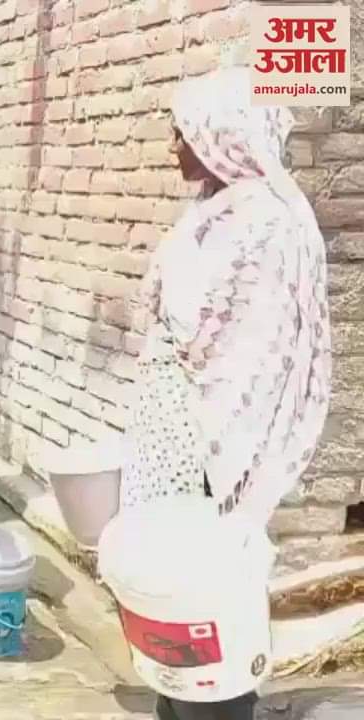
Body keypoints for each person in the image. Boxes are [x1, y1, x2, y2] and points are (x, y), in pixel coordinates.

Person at [121, 66, 331, 720]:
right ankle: (175, 702)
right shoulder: (213, 211)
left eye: (182, 132)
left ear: (224, 132)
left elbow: (256, 355)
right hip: (171, 438)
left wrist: (212, 454)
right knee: (168, 598)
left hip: (215, 446)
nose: (173, 146)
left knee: (207, 604)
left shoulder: (269, 225)